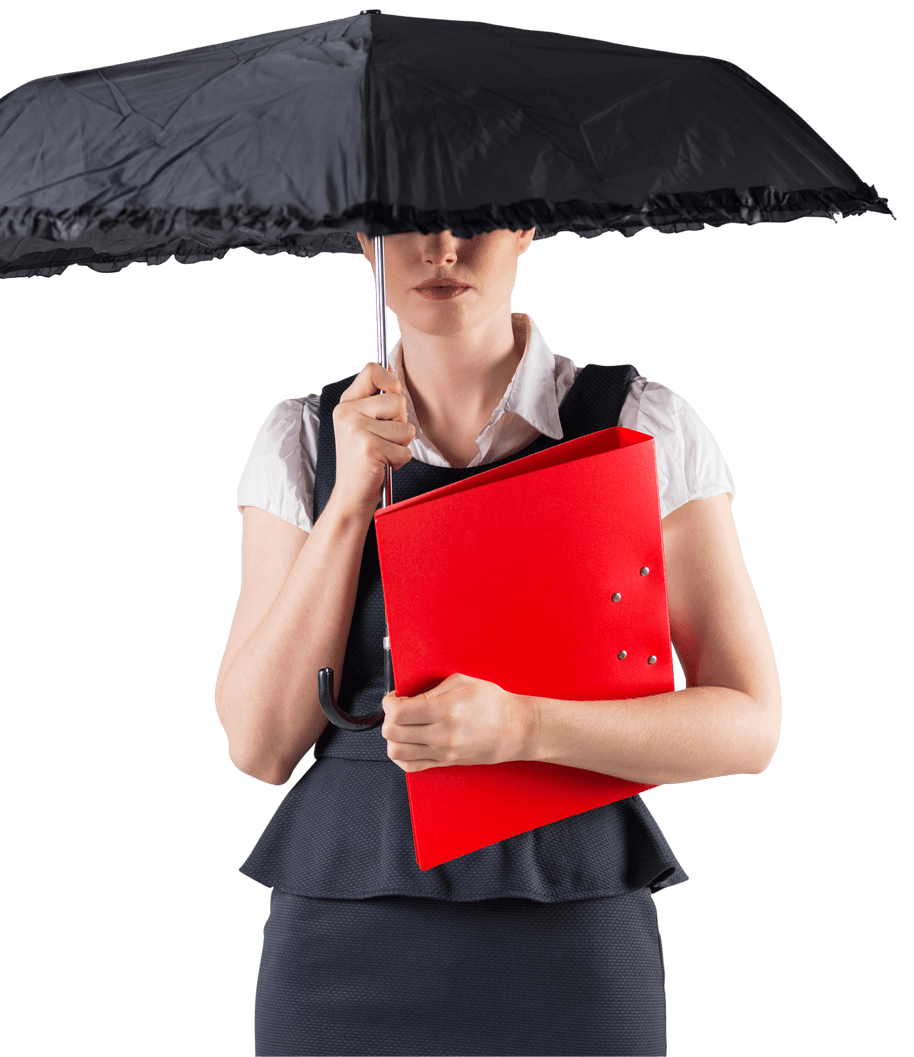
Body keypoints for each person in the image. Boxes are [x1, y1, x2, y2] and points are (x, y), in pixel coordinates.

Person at [214, 226, 783, 1057]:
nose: (442, 246)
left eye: (477, 213)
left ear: (527, 224)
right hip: (343, 950)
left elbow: (750, 723)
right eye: (407, 216)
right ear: (363, 240)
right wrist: (348, 501)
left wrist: (523, 728)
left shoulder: (642, 422)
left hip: (572, 948)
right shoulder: (302, 439)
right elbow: (259, 744)